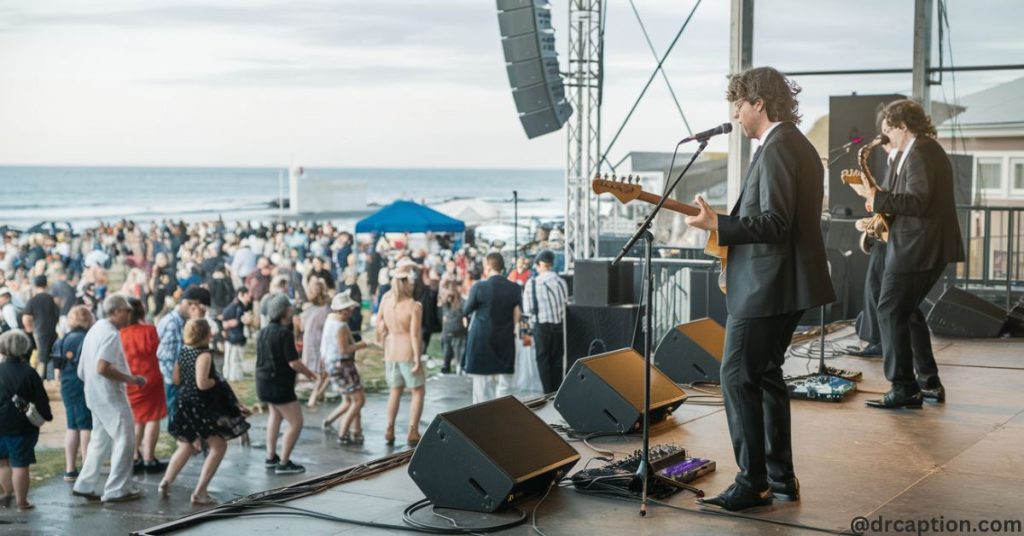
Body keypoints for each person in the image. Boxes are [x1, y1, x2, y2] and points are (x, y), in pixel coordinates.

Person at [685, 66, 835, 511]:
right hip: (786, 284)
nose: (735, 113)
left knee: (736, 376)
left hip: (769, 286)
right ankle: (778, 478)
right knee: (765, 376)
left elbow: (775, 223)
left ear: (759, 103)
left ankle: (753, 483)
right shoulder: (793, 144)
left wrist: (718, 224)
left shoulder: (777, 148)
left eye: (739, 104)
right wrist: (722, 224)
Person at [857, 99, 965, 408]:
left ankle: (904, 387)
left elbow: (917, 202)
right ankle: (927, 381)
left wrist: (879, 200)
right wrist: (878, 201)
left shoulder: (921, 153)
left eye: (887, 129)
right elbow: (909, 200)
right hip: (920, 244)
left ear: (902, 126)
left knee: (890, 309)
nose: (883, 137)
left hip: (920, 246)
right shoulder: (916, 152)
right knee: (908, 311)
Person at [161, 319, 251, 505]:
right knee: (219, 446)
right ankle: (200, 492)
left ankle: (166, 481)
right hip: (199, 407)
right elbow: (202, 383)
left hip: (183, 403)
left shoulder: (184, 351)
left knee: (185, 445)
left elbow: (176, 379)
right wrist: (215, 382)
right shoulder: (204, 355)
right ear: (205, 334)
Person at [72, 294, 148, 503]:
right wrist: (131, 379)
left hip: (94, 395)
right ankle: (117, 489)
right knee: (125, 439)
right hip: (109, 396)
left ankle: (85, 484)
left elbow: (82, 370)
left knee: (100, 440)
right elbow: (102, 367)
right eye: (126, 310)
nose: (129, 314)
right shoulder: (110, 333)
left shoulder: (95, 329)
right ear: (115, 311)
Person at [850, 136, 902, 358]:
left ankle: (879, 342)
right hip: (887, 237)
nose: (884, 137)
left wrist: (871, 195)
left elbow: (898, 203)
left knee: (878, 290)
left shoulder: (904, 162)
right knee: (874, 288)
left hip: (896, 239)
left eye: (888, 129)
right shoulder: (894, 162)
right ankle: (876, 340)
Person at [256, 293, 316, 475]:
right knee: (296, 422)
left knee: (275, 416)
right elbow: (293, 362)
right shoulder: (284, 333)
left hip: (263, 383)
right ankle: (283, 462)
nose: (291, 309)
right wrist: (310, 374)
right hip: (279, 386)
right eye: (288, 307)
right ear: (284, 312)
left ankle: (270, 456)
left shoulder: (263, 331)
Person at [0, 330, 53, 512]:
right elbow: (41, 399)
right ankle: (22, 503)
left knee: (3, 462)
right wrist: (46, 416)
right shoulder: (29, 372)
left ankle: (7, 494)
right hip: (21, 426)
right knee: (21, 464)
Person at [462, 253, 522, 404]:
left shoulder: (479, 286)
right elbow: (518, 315)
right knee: (504, 388)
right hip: (505, 340)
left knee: (481, 390)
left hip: (482, 339)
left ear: (488, 266)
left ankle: (482, 422)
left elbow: (466, 310)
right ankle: (501, 420)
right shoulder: (514, 288)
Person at [376, 270, 425, 446]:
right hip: (407, 352)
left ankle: (389, 428)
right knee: (417, 391)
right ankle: (413, 430)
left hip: (391, 351)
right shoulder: (414, 306)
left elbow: (379, 323)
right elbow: (414, 335)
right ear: (406, 284)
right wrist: (418, 359)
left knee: (395, 391)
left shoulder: (386, 301)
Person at [121, 297, 168, 474]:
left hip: (131, 380)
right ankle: (149, 458)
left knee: (137, 420)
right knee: (152, 419)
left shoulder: (120, 334)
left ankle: (135, 457)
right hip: (151, 378)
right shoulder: (150, 330)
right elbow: (158, 351)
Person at [51, 306, 94, 482]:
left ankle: (70, 469)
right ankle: (87, 466)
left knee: (71, 425)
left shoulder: (62, 340)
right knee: (85, 426)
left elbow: (56, 369)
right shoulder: (88, 338)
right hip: (83, 383)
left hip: (67, 384)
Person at [320, 292, 369, 445]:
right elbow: (344, 349)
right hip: (342, 365)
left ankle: (329, 422)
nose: (351, 311)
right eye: (349, 309)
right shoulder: (340, 325)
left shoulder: (330, 319)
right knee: (358, 400)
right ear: (343, 310)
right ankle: (343, 433)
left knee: (348, 400)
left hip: (331, 364)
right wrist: (361, 345)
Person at [156, 286, 210, 425]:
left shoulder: (186, 321)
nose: (202, 313)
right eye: (201, 309)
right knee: (178, 422)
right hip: (176, 381)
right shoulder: (172, 324)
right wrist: (178, 381)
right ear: (192, 304)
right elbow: (167, 357)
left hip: (184, 379)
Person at [521, 249, 568, 394]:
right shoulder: (561, 282)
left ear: (541, 264)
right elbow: (565, 303)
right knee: (557, 361)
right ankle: (557, 393)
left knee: (543, 361)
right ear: (551, 264)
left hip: (541, 327)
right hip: (559, 326)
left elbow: (527, 309)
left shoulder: (532, 283)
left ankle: (547, 393)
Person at [296, 279, 330, 407]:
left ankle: (316, 396)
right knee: (322, 372)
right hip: (320, 340)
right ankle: (315, 397)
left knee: (318, 371)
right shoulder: (326, 308)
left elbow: (302, 326)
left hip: (310, 340)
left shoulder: (308, 308)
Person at [22, 275, 60, 380]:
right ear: (46, 285)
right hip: (52, 332)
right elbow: (57, 314)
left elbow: (26, 317)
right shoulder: (51, 299)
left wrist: (30, 330)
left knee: (42, 359)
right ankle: (50, 379)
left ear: (35, 285)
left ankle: (41, 380)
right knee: (51, 357)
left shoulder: (33, 300)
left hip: (39, 332)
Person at [220, 287, 252, 382]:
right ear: (241, 295)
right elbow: (235, 322)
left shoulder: (232, 306)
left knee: (229, 358)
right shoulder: (239, 307)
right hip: (235, 337)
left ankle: (227, 376)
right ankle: (234, 377)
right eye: (247, 296)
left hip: (230, 337)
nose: (249, 298)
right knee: (235, 359)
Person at [438, 280, 467, 374]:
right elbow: (466, 311)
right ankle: (460, 364)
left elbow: (440, 309)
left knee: (446, 345)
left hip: (447, 327)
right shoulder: (460, 300)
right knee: (459, 345)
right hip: (458, 327)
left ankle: (446, 365)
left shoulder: (444, 299)